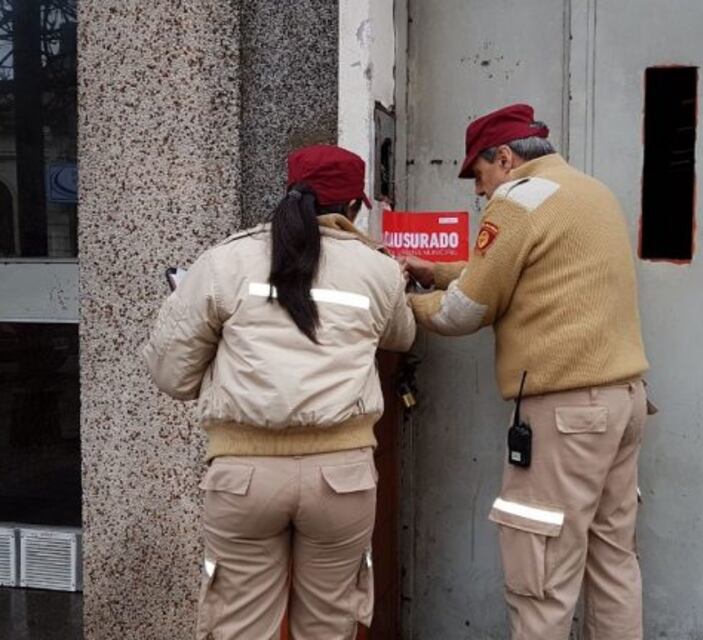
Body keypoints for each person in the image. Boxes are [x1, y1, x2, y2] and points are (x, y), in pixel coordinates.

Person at [142, 144, 415, 640]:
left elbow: (171, 376)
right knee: (331, 626)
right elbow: (402, 336)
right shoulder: (376, 270)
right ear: (354, 207)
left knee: (241, 628)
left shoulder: (226, 261)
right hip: (343, 480)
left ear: (288, 192)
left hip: (243, 480)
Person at [402, 103, 652, 640]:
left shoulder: (518, 199)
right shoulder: (591, 191)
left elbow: (463, 312)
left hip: (564, 415)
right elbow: (535, 273)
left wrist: (400, 300)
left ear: (507, 158)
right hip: (623, 402)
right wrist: (440, 270)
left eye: (480, 174)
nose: (478, 190)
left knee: (540, 578)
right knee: (614, 564)